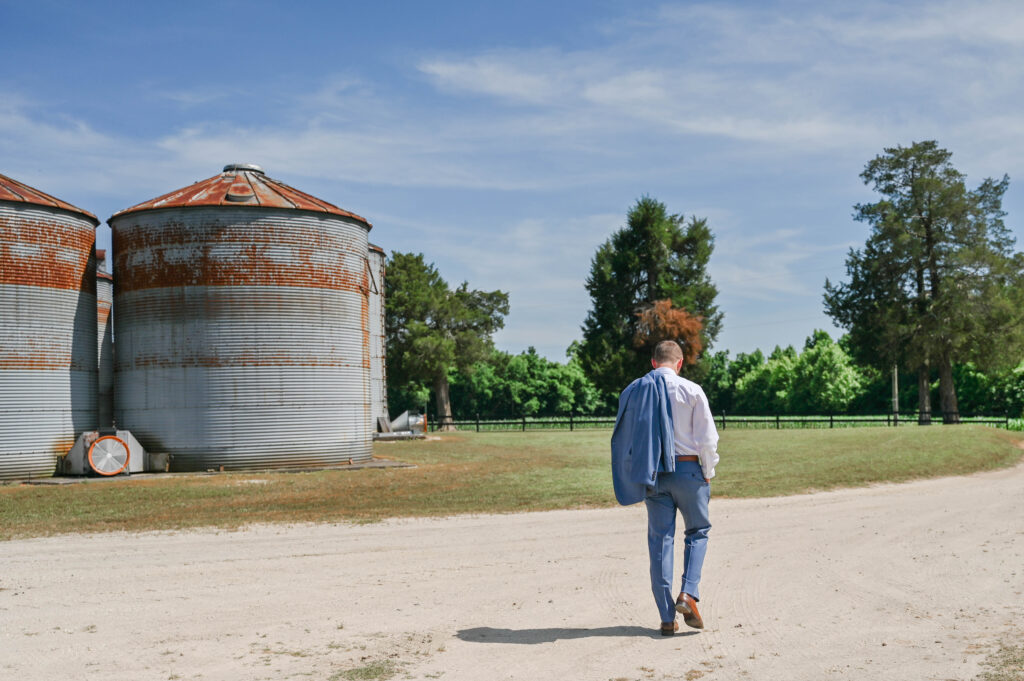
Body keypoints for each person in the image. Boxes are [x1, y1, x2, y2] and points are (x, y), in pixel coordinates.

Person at [610, 340, 719, 636]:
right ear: (680, 363)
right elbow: (707, 439)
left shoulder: (635, 390)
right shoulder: (692, 390)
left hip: (653, 473)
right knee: (697, 532)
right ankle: (688, 594)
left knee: (660, 542)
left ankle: (667, 617)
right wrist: (707, 470)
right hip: (688, 470)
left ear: (653, 362)